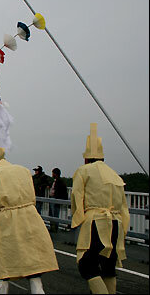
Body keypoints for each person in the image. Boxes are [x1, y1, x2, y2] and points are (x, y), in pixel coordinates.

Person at [0, 157, 58, 294]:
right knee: (31, 256)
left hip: (7, 218)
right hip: (30, 214)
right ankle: (38, 290)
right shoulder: (23, 171)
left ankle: (0, 289)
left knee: (4, 260)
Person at [71, 123, 130, 294]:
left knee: (86, 265)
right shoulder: (114, 174)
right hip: (116, 222)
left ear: (86, 158)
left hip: (96, 222)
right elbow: (124, 206)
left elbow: (77, 196)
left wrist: (77, 218)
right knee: (108, 267)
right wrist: (123, 229)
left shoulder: (84, 171)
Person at [49, 167, 68, 232]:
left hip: (55, 200)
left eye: (53, 173)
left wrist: (60, 198)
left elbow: (63, 191)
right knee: (51, 214)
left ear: (55, 174)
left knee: (55, 214)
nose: (52, 175)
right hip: (52, 199)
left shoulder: (60, 182)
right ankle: (52, 227)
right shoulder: (55, 181)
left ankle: (55, 228)